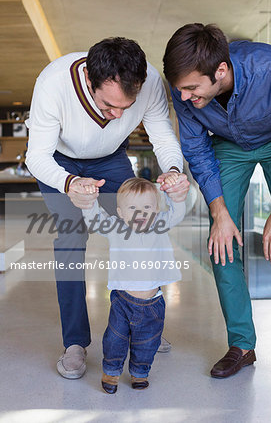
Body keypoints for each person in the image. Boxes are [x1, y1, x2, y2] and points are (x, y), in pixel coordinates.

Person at [25, 37, 189, 379]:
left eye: (126, 108)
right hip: (58, 162)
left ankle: (144, 322)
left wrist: (173, 171)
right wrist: (70, 183)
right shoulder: (53, 83)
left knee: (140, 231)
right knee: (70, 242)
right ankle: (75, 344)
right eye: (109, 106)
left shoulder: (150, 84)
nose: (117, 116)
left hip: (111, 159)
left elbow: (162, 136)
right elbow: (36, 156)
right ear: (89, 79)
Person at [163, 23, 271, 378]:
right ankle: (241, 344)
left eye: (193, 88)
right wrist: (219, 211)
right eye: (181, 90)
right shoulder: (184, 91)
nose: (187, 97)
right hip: (229, 147)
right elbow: (195, 148)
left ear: (220, 71)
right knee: (221, 243)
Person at [82, 176, 185, 393]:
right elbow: (95, 220)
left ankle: (140, 373)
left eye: (147, 206)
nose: (141, 212)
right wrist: (89, 202)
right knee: (114, 340)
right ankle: (111, 371)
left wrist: (174, 195)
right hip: (122, 301)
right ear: (120, 212)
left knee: (148, 342)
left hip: (152, 303)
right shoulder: (115, 227)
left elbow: (177, 213)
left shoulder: (159, 224)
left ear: (157, 209)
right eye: (132, 207)